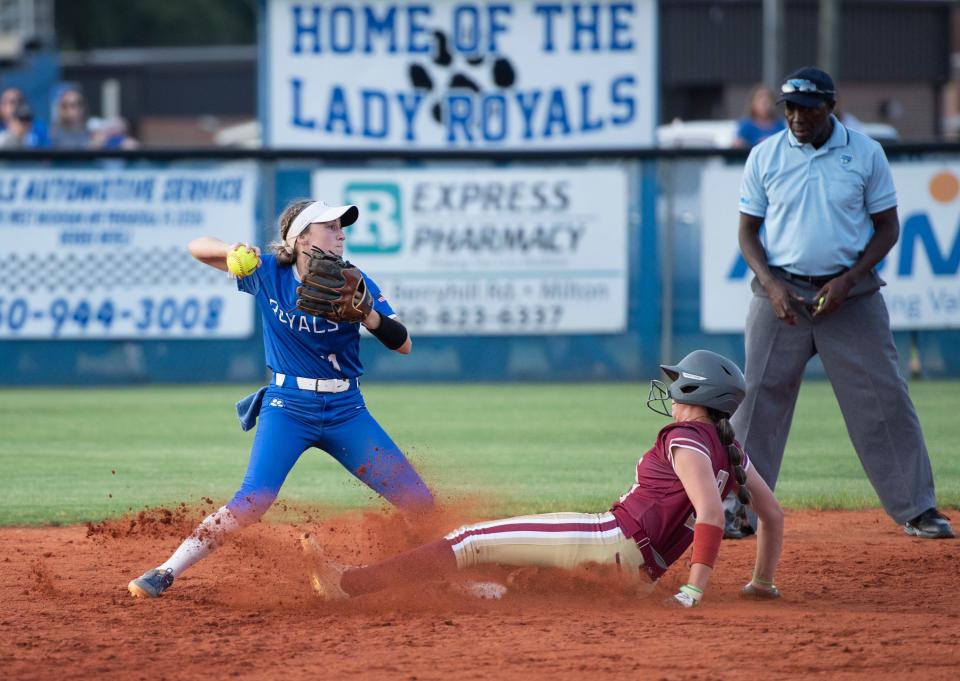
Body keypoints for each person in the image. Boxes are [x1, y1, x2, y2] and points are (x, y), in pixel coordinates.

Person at [302, 350, 785, 608]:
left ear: (697, 392)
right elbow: (772, 516)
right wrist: (761, 581)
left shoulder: (686, 437)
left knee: (470, 539)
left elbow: (709, 514)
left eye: (679, 383)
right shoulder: (731, 450)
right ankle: (486, 592)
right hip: (635, 577)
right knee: (524, 576)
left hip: (607, 541)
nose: (671, 390)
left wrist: (694, 590)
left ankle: (351, 584)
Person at [127, 198, 436, 598]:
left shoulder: (355, 282)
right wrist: (231, 251)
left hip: (346, 410)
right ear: (301, 238)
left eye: (342, 226)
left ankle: (436, 576)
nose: (341, 233)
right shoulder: (267, 271)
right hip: (287, 407)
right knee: (253, 499)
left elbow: (404, 344)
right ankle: (167, 570)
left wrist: (369, 317)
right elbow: (197, 247)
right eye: (329, 226)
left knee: (419, 502)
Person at [733, 66, 954, 540]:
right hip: (782, 295)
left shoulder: (865, 153)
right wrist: (770, 284)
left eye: (807, 108)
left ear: (830, 107)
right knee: (754, 404)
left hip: (850, 297)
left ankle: (918, 509)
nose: (796, 117)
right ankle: (738, 510)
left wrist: (850, 279)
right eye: (789, 107)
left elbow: (888, 226)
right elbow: (747, 232)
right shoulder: (765, 155)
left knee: (884, 399)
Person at [733, 84, 785, 149]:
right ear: (753, 103)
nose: (765, 105)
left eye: (768, 101)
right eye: (760, 100)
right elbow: (738, 144)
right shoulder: (746, 124)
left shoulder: (779, 124)